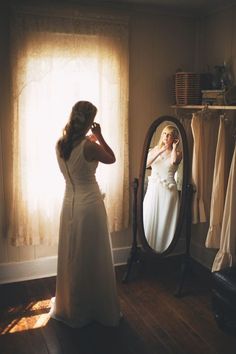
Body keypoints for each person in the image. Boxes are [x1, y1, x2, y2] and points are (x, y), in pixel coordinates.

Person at [50, 100, 121, 328]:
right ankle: (94, 308)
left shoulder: (61, 144)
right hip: (89, 206)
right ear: (89, 122)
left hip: (68, 202)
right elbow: (112, 158)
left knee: (73, 256)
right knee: (93, 256)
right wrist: (99, 136)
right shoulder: (89, 146)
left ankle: (72, 305)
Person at [143, 125, 182, 252]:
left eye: (169, 134)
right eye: (164, 133)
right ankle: (149, 248)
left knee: (165, 219)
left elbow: (174, 162)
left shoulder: (177, 153)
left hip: (168, 190)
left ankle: (164, 250)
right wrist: (160, 151)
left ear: (174, 138)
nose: (166, 136)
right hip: (154, 189)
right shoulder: (155, 149)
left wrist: (174, 148)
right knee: (150, 216)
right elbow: (146, 164)